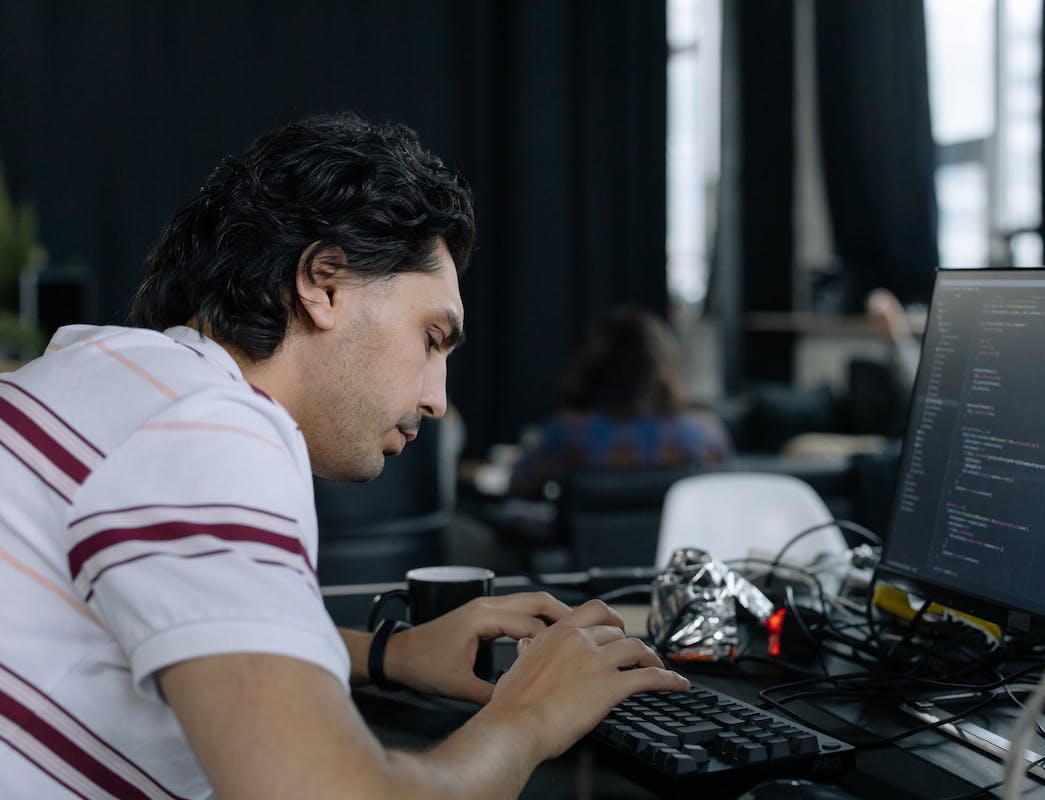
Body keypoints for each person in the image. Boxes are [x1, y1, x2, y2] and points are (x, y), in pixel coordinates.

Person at [0, 114, 687, 799]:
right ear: (323, 283)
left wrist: (389, 654)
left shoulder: (100, 372)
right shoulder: (214, 432)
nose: (437, 399)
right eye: (432, 338)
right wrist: (535, 711)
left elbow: (158, 623)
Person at [508, 307, 733, 499]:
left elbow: (518, 487)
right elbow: (726, 495)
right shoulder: (704, 433)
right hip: (680, 548)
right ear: (665, 366)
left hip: (591, 549)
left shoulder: (566, 433)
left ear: (594, 366)